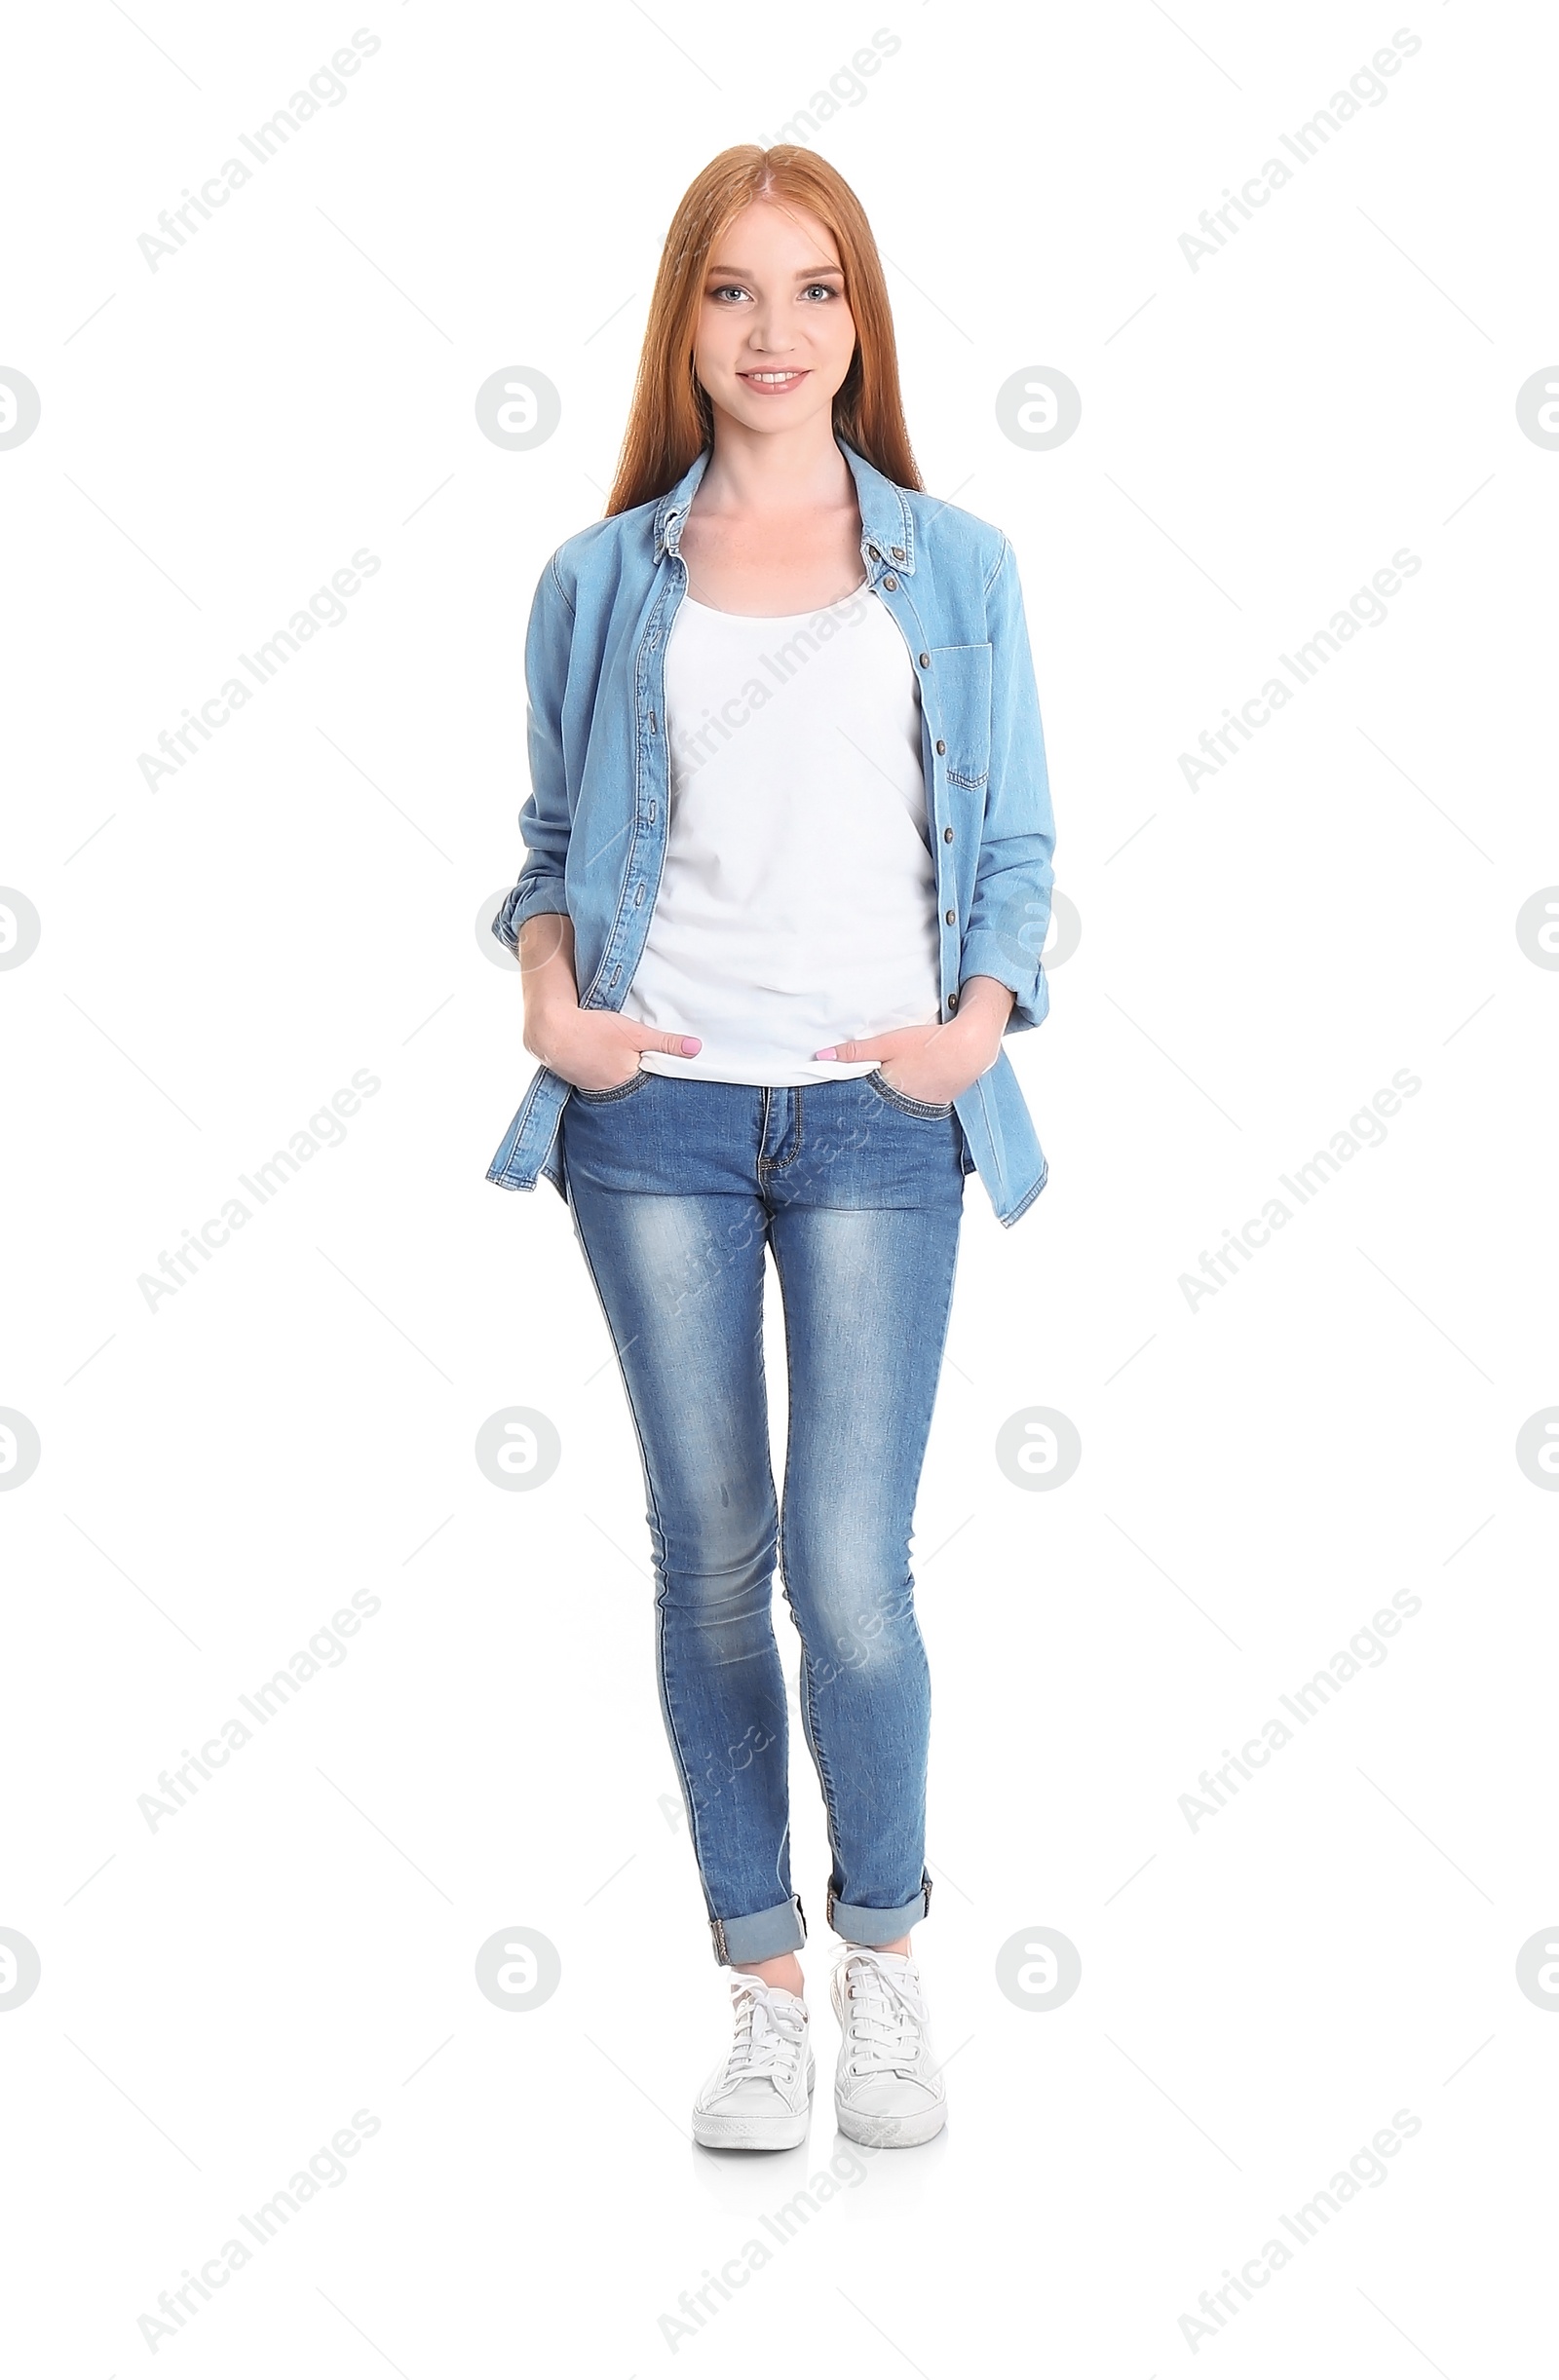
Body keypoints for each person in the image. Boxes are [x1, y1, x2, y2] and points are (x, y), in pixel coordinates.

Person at [486, 145, 1056, 2150]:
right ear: (683, 322)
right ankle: (758, 1989)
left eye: (812, 291)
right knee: (709, 1567)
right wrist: (554, 1013)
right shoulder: (598, 577)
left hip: (880, 1115)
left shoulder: (954, 565)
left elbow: (1011, 858)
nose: (772, 333)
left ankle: (886, 1960)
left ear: (859, 321)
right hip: (655, 1115)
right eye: (732, 292)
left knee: (851, 1571)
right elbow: (550, 852)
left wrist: (967, 1032)